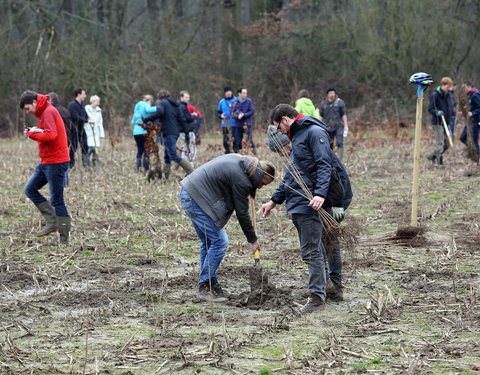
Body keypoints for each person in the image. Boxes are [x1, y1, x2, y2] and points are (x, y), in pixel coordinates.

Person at [263, 104, 350, 313]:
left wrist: (324, 196)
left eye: (279, 127)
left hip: (314, 202)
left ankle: (318, 298)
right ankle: (328, 288)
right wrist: (274, 200)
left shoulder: (312, 132)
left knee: (317, 247)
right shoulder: (298, 137)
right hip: (303, 201)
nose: (280, 131)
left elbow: (326, 165)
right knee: (319, 247)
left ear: (285, 119)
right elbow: (292, 176)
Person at [180, 154, 275, 302]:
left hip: (189, 193)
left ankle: (211, 284)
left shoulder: (241, 161)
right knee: (220, 241)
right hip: (196, 199)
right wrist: (253, 240)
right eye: (262, 183)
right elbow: (242, 212)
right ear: (259, 175)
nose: (261, 187)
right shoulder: (241, 179)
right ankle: (205, 287)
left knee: (208, 242)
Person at [20, 91, 71, 244]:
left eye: (28, 108)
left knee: (57, 201)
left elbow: (51, 135)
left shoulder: (48, 112)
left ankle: (64, 239)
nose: (27, 112)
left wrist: (32, 135)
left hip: (56, 162)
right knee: (30, 189)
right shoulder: (43, 112)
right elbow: (48, 132)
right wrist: (35, 130)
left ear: (35, 102)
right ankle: (52, 221)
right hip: (47, 161)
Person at [144, 89, 193, 177]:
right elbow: (182, 120)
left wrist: (147, 119)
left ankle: (191, 172)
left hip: (168, 132)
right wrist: (186, 133)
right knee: (167, 154)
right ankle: (165, 175)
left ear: (159, 97)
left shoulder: (161, 102)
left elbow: (160, 112)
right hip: (175, 132)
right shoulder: (175, 105)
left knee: (173, 155)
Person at [427, 77, 454, 166]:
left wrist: (453, 113)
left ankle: (432, 156)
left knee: (448, 143)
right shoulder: (435, 95)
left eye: (450, 87)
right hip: (438, 122)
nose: (449, 89)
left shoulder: (449, 95)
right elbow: (430, 109)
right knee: (440, 143)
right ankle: (439, 162)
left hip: (447, 122)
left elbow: (450, 106)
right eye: (448, 87)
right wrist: (437, 112)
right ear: (443, 85)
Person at [320, 88, 349, 161]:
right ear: (327, 94)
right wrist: (318, 125)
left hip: (338, 126)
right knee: (329, 145)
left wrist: (346, 126)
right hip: (327, 127)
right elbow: (321, 116)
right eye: (330, 93)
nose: (332, 95)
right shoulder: (323, 104)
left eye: (333, 93)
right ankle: (330, 160)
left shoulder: (340, 102)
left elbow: (344, 115)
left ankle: (340, 160)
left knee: (340, 143)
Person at [131, 95, 157, 172]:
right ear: (149, 100)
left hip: (136, 132)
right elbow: (148, 110)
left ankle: (138, 169)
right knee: (146, 150)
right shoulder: (146, 105)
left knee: (140, 150)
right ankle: (146, 168)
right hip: (144, 131)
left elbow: (133, 121)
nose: (151, 103)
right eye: (151, 102)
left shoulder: (137, 107)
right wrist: (158, 108)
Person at [68, 88, 93, 169]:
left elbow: (85, 115)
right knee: (73, 148)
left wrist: (88, 119)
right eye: (84, 94)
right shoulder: (72, 105)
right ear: (79, 94)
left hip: (82, 129)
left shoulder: (82, 105)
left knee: (85, 146)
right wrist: (86, 120)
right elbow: (75, 117)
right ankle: (70, 165)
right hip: (74, 130)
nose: (85, 96)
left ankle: (86, 165)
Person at [459, 81, 480, 164]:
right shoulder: (469, 96)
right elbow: (470, 108)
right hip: (469, 122)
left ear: (469, 86)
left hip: (475, 121)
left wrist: (473, 113)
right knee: (462, 138)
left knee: (474, 142)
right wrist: (463, 112)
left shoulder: (475, 95)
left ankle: (477, 159)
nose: (463, 89)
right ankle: (473, 150)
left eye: (464, 88)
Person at [231, 87, 255, 154]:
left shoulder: (249, 101)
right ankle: (239, 155)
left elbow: (252, 111)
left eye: (246, 93)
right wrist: (237, 116)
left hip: (247, 124)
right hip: (238, 125)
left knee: (248, 141)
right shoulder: (234, 102)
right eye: (244, 93)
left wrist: (244, 114)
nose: (245, 94)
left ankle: (253, 154)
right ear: (239, 93)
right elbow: (232, 113)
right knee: (238, 141)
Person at [84, 95, 105, 169]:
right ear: (92, 101)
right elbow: (87, 118)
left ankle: (95, 162)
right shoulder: (87, 108)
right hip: (89, 131)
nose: (98, 103)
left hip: (96, 132)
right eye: (97, 102)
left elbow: (100, 123)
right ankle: (86, 164)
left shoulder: (99, 110)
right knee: (90, 147)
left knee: (96, 149)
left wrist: (102, 134)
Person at [178, 91, 197, 167]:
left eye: (188, 97)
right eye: (186, 97)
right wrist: (194, 116)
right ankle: (190, 164)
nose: (188, 99)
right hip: (187, 130)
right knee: (191, 146)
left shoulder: (178, 106)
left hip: (181, 130)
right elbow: (188, 118)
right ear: (181, 97)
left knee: (184, 147)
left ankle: (184, 163)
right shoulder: (183, 107)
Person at [217, 86, 236, 154]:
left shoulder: (236, 100)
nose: (228, 93)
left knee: (234, 140)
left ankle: (234, 153)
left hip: (235, 124)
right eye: (226, 92)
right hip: (225, 124)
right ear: (225, 93)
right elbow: (218, 113)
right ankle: (227, 153)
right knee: (226, 140)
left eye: (229, 92)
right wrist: (221, 116)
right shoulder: (222, 101)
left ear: (231, 92)